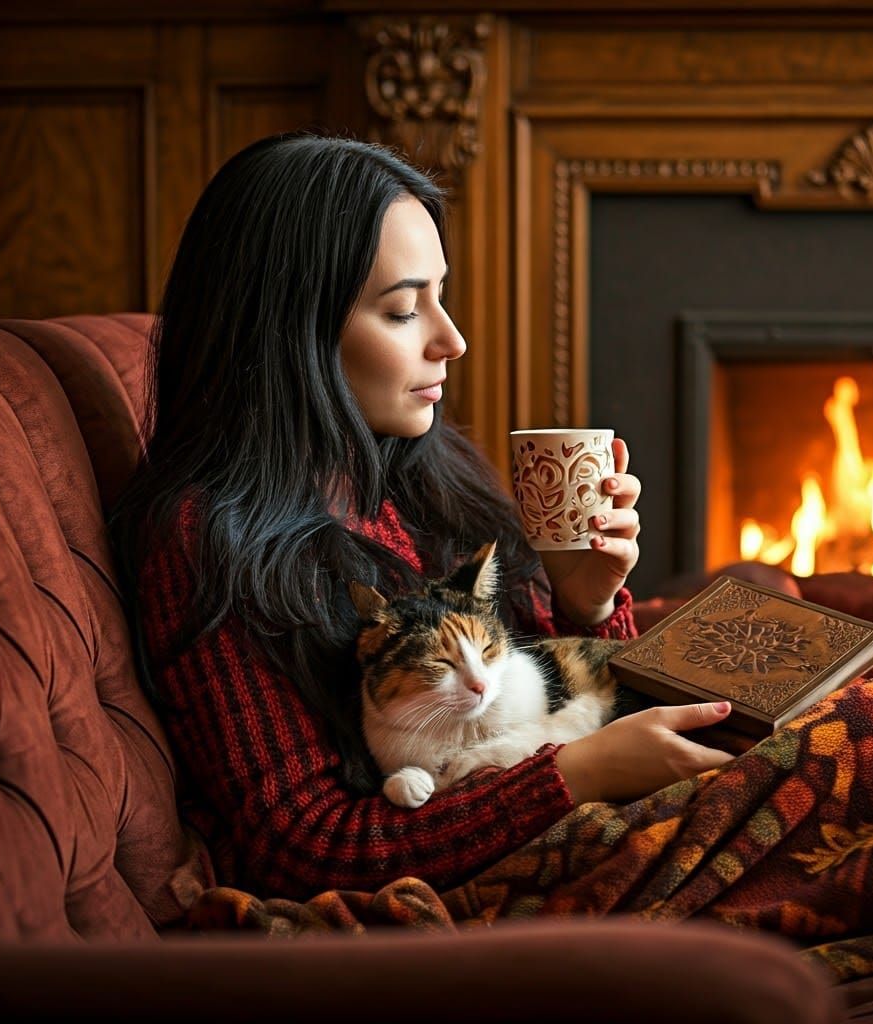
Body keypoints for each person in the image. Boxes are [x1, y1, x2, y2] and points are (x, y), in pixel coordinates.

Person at [112, 132, 734, 900]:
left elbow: (580, 704)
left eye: (441, 297)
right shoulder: (210, 540)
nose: (454, 340)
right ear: (290, 331)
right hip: (522, 881)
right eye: (405, 309)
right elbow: (303, 851)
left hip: (616, 822)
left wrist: (586, 601)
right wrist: (575, 776)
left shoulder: (424, 476)